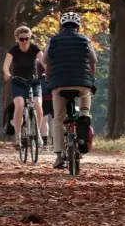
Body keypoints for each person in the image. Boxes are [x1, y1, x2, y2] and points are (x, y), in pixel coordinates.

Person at [41, 12, 97, 169]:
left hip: (59, 85)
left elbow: (45, 60)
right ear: (78, 26)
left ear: (61, 26)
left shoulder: (53, 41)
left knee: (58, 118)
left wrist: (49, 79)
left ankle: (59, 156)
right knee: (85, 104)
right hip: (82, 84)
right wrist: (90, 79)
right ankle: (84, 119)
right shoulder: (85, 40)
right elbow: (93, 61)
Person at [4, 26, 44, 149]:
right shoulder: (13, 50)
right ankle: (17, 137)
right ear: (17, 39)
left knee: (37, 105)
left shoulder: (35, 48)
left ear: (30, 37)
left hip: (33, 81)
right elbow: (6, 65)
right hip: (18, 81)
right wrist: (7, 74)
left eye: (27, 38)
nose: (25, 41)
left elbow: (44, 62)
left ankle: (37, 134)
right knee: (20, 104)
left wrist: (47, 72)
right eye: (22, 39)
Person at [37, 62, 53, 149]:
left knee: (44, 120)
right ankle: (55, 142)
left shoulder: (39, 63)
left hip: (43, 95)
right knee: (56, 120)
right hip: (55, 94)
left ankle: (45, 144)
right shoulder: (56, 60)